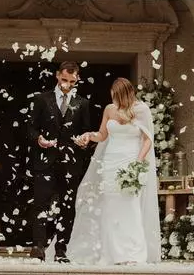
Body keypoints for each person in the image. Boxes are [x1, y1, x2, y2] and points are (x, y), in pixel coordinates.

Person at [68, 77, 160, 265]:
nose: (115, 101)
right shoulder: (109, 109)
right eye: (113, 97)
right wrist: (88, 136)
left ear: (126, 95)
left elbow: (147, 139)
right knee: (111, 207)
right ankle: (112, 253)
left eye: (118, 97)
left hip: (130, 160)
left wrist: (138, 162)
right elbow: (102, 136)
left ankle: (133, 254)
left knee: (130, 207)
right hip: (110, 162)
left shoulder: (141, 110)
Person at [28, 61, 91, 263]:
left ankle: (61, 249)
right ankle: (38, 247)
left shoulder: (83, 103)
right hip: (44, 161)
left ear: (77, 79)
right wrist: (39, 139)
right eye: (64, 80)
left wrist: (84, 141)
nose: (67, 84)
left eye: (71, 81)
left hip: (71, 164)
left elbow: (86, 132)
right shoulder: (41, 99)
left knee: (67, 206)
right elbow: (29, 128)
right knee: (40, 204)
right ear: (57, 75)